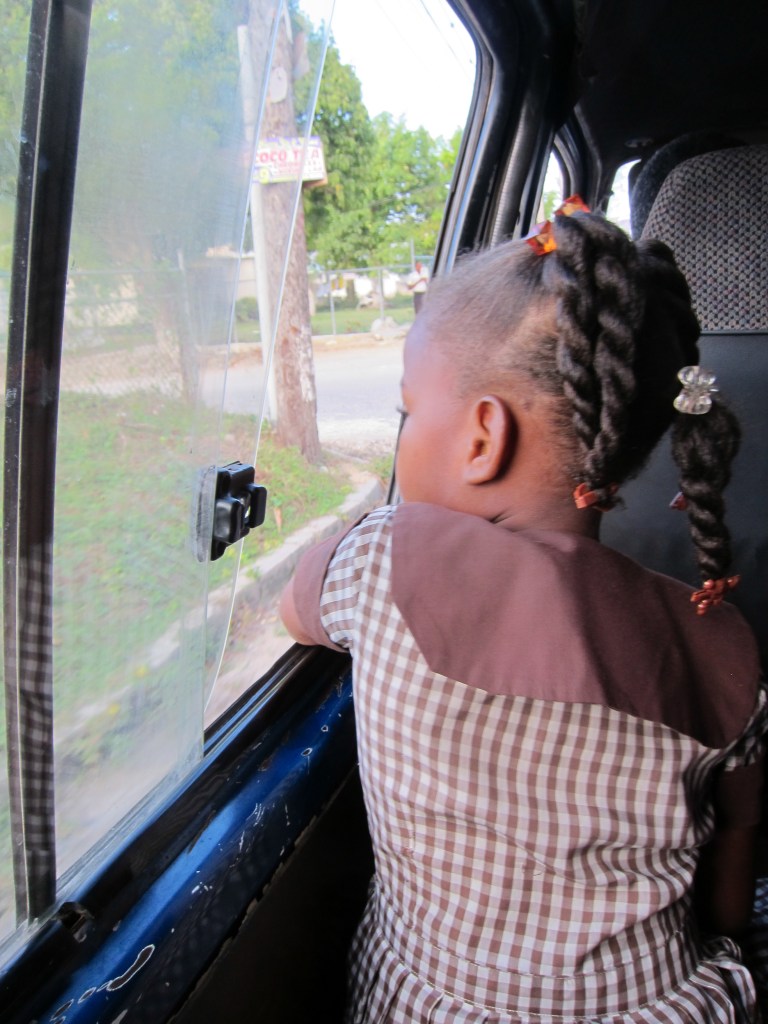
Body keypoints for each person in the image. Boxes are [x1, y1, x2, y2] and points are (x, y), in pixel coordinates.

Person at [279, 200, 767, 1023]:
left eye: (407, 410)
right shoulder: (720, 640)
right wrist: (727, 949)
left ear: (481, 439)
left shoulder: (384, 560)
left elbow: (296, 613)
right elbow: (735, 852)